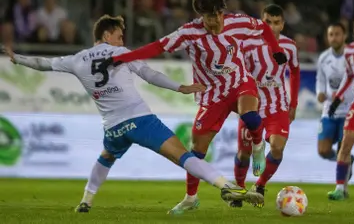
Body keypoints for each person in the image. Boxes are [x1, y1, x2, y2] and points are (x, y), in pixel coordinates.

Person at [2, 15, 264, 213]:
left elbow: (43, 64)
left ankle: (86, 200)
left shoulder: (77, 59)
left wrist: (17, 58)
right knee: (183, 155)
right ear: (107, 35)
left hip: (113, 127)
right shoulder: (120, 53)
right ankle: (225, 185)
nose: (122, 41)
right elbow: (149, 75)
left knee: (106, 157)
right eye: (119, 36)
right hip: (139, 120)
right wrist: (179, 87)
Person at [96, 0, 286, 215]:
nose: (214, 21)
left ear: (221, 11)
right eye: (208, 16)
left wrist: (276, 50)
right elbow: (157, 46)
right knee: (196, 150)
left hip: (240, 84)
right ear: (200, 15)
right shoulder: (189, 33)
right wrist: (123, 58)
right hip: (212, 95)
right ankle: (190, 198)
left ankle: (257, 144)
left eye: (217, 14)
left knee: (251, 116)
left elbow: (264, 28)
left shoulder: (238, 22)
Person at [230, 4, 300, 208]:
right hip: (252, 105)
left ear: (282, 24)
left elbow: (295, 72)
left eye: (276, 23)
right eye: (267, 22)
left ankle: (259, 186)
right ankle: (239, 189)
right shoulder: (248, 44)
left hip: (277, 106)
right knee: (244, 154)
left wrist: (293, 104)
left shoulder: (290, 46)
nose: (271, 26)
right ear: (262, 21)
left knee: (277, 147)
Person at [327, 16, 354, 200]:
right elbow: (348, 76)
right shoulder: (350, 52)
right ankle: (340, 189)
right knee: (344, 146)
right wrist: (337, 98)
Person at [316, 22, 354, 184]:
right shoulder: (324, 57)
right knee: (323, 150)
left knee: (342, 150)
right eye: (331, 34)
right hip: (329, 110)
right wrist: (320, 93)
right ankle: (348, 162)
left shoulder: (352, 55)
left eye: (337, 34)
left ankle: (342, 188)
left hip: (348, 110)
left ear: (344, 36)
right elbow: (320, 79)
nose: (334, 38)